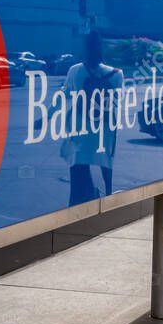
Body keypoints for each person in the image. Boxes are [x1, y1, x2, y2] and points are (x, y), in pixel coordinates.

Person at [61, 32, 125, 206]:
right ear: (101, 50)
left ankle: (81, 199)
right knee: (105, 163)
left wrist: (45, 118)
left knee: (78, 167)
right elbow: (116, 106)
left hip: (80, 129)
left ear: (84, 50)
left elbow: (64, 96)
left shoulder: (75, 71)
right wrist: (113, 131)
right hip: (104, 128)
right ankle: (109, 194)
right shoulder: (117, 74)